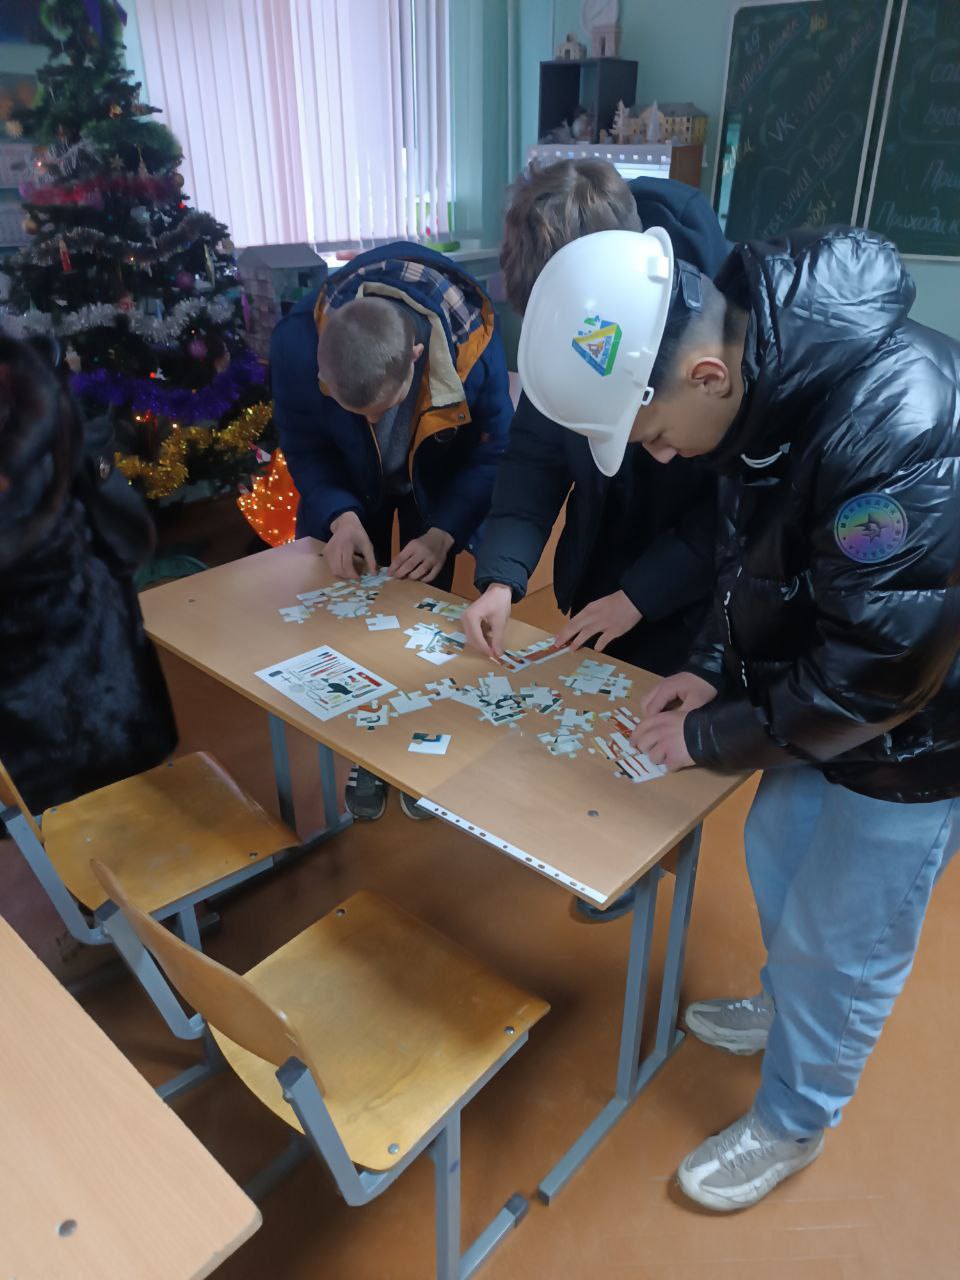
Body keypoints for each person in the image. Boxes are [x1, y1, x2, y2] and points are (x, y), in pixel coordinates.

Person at [517, 224, 960, 1212]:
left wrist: (712, 736)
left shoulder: (893, 430)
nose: (661, 452)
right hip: (824, 690)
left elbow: (881, 670)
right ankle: (786, 1000)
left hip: (923, 733)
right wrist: (711, 671)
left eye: (655, 433)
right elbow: (744, 565)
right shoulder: (758, 396)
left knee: (845, 938)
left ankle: (796, 1117)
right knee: (776, 847)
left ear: (706, 373)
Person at [269, 243, 513, 822]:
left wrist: (445, 533)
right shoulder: (298, 343)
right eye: (356, 412)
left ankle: (417, 738)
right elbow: (304, 444)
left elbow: (495, 451)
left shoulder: (475, 345)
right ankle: (369, 748)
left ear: (417, 358)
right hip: (354, 487)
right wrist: (340, 515)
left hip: (438, 484)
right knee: (354, 625)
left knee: (426, 621)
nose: (374, 423)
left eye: (383, 409)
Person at [464, 159, 730, 683]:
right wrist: (502, 577)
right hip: (601, 565)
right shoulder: (569, 330)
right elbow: (534, 457)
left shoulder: (720, 325)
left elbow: (731, 510)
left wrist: (640, 595)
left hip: (693, 597)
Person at [0, 335, 177, 814]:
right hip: (101, 696)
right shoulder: (33, 399)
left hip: (27, 749)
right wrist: (96, 456)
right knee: (134, 818)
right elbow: (127, 544)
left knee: (71, 831)